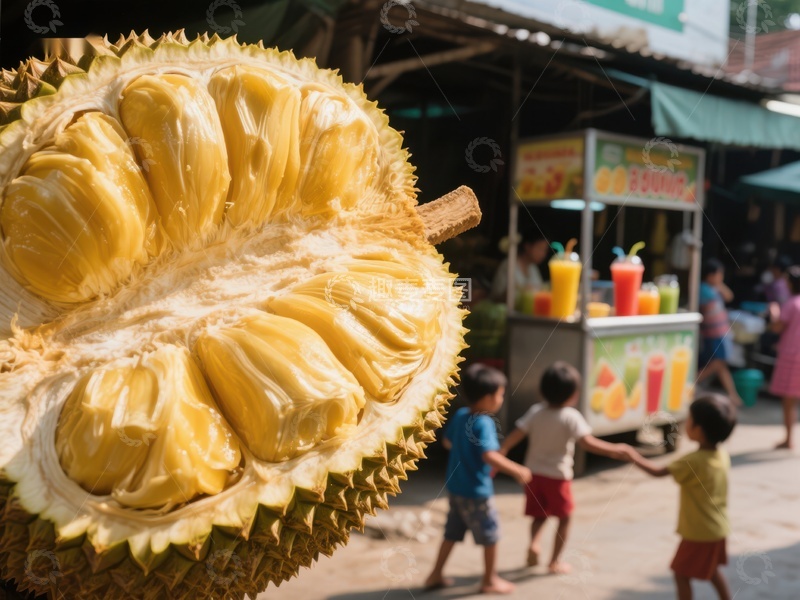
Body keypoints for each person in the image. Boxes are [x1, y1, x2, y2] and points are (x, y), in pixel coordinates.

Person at [498, 362, 631, 574]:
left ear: (542, 390)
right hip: (558, 477)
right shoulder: (571, 416)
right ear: (574, 394)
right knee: (565, 518)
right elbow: (588, 443)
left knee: (538, 515)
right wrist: (613, 449)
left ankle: (534, 543)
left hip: (533, 474)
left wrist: (502, 450)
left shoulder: (536, 411)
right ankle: (554, 561)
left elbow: (517, 433)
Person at [424, 363, 532, 594]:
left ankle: (435, 574)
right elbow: (489, 455)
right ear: (487, 397)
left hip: (455, 488)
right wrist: (517, 470)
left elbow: (447, 442)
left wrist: (464, 451)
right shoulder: (484, 422)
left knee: (451, 533)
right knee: (491, 536)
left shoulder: (461, 415)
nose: (501, 399)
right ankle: (489, 580)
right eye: (501, 394)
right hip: (476, 491)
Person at [625, 394, 737, 600]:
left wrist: (632, 455)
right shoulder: (721, 454)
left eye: (690, 419)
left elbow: (657, 472)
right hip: (718, 528)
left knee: (681, 574)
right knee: (711, 571)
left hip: (699, 533)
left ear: (699, 430)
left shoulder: (693, 461)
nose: (686, 422)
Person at [697, 258, 742, 406]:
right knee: (718, 363)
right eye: (719, 274)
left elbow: (730, 296)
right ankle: (692, 382)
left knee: (721, 365)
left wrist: (719, 284)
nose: (720, 277)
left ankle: (733, 395)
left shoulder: (714, 287)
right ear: (710, 275)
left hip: (720, 332)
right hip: (713, 333)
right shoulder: (704, 289)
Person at [768, 265, 800, 449]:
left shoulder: (791, 303)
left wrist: (774, 313)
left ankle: (789, 439)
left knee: (789, 400)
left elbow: (777, 327)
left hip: (791, 356)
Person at [490, 236, 549, 302]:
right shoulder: (509, 265)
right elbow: (497, 298)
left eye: (545, 250)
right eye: (540, 248)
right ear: (527, 246)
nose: (543, 254)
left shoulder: (533, 268)